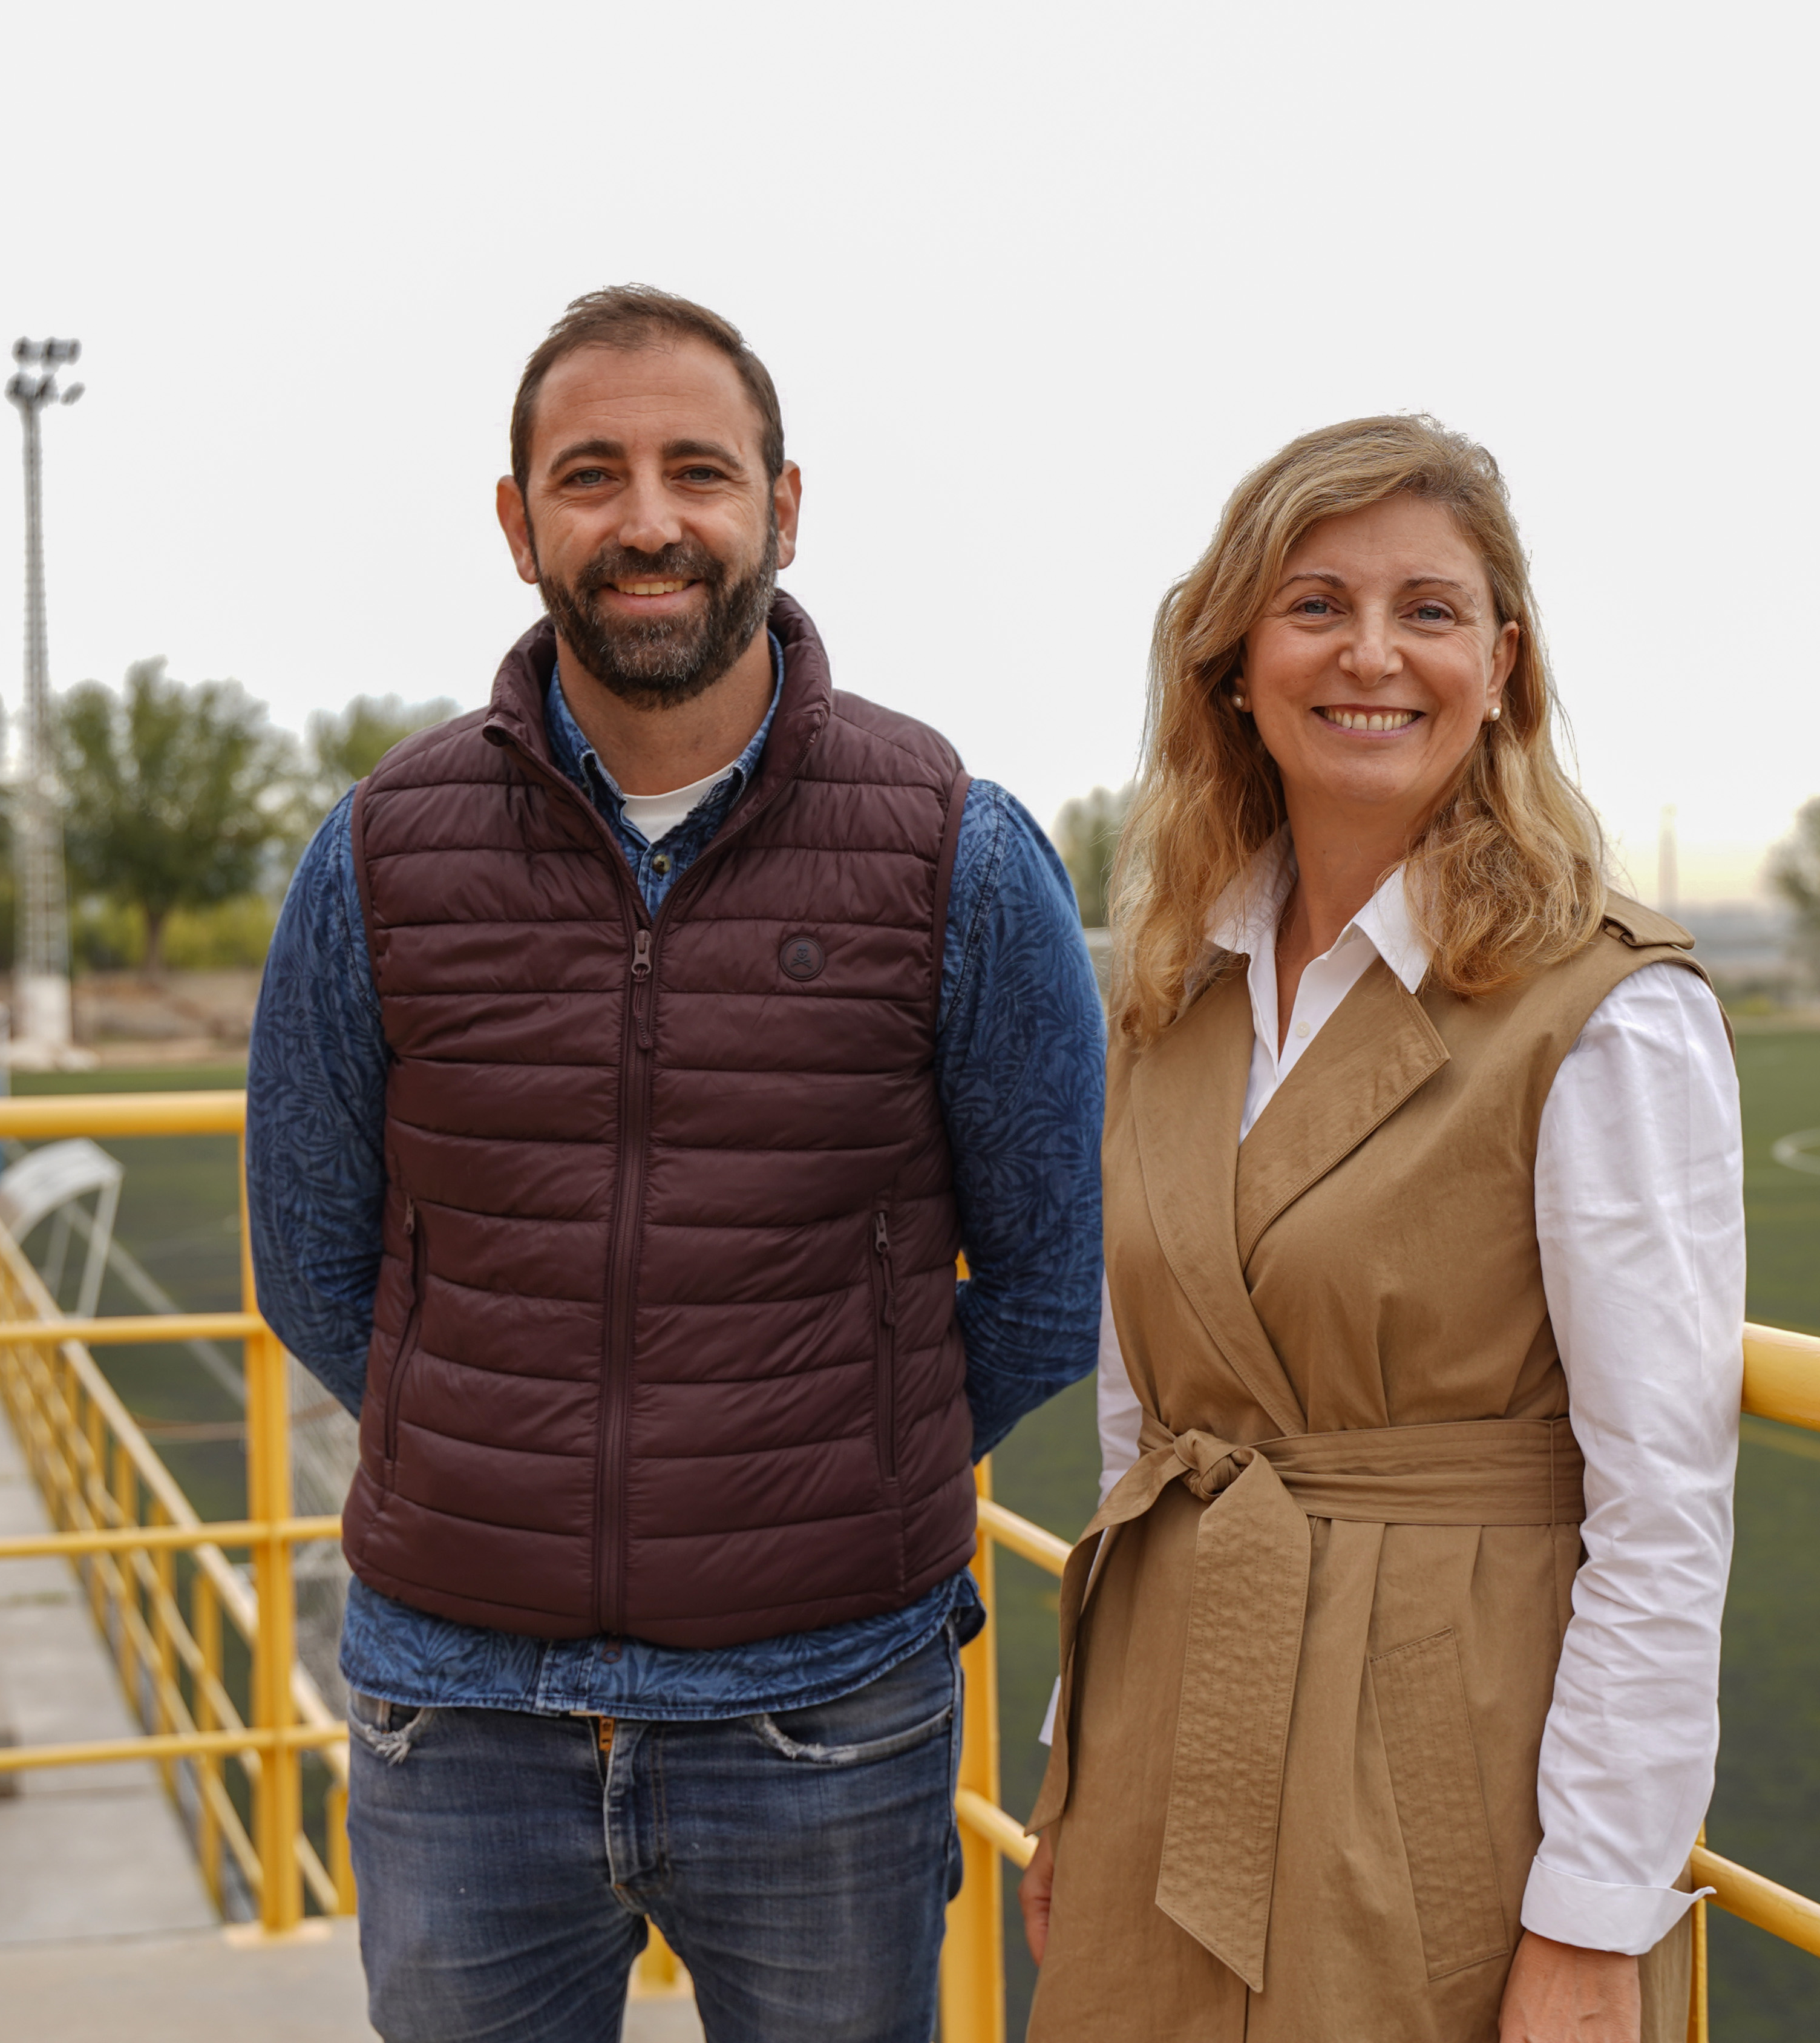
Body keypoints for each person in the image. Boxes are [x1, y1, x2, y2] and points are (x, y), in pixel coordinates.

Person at [246, 286, 1105, 2043]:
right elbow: (317, 1265)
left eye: (698, 472)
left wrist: (836, 1472)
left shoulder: (960, 849)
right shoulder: (378, 855)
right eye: (592, 475)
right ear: (518, 526)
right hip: (454, 1714)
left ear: (783, 510)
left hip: (827, 1711)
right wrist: (492, 1465)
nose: (648, 522)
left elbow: (1046, 1279)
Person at [1015, 416, 1743, 2042]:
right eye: (1315, 604)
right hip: (1166, 1736)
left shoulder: (1602, 1010)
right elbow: (1150, 1429)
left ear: (1503, 667)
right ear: (1233, 665)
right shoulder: (1170, 991)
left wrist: (1593, 1918)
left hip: (1438, 1746)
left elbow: (1663, 1503)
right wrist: (1080, 1761)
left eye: (1427, 610)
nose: (1372, 655)